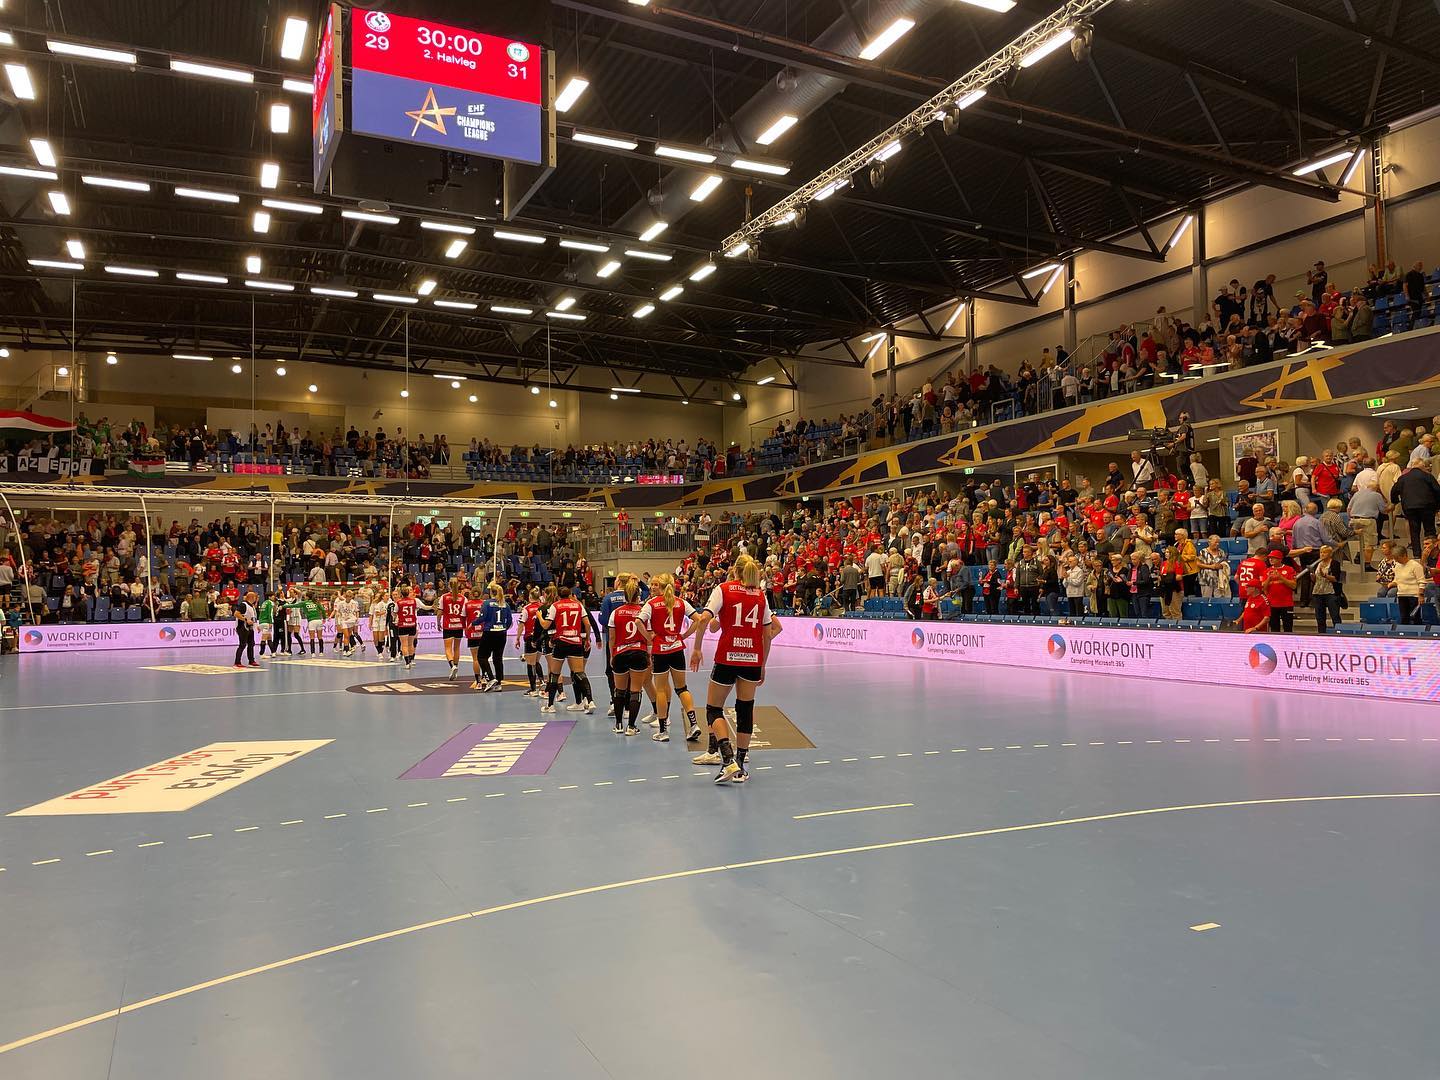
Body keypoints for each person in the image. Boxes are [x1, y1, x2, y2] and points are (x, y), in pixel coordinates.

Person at [687, 554, 783, 785]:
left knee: (713, 709)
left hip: (727, 657)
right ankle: (740, 767)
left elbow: (704, 621)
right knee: (745, 709)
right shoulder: (760, 595)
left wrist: (697, 649)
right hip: (751, 658)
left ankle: (727, 758)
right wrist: (763, 664)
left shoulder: (724, 589)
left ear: (735, 571)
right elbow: (768, 633)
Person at [646, 573, 700, 744]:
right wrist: (684, 635)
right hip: (677, 648)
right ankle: (694, 724)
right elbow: (698, 620)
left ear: (660, 586)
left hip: (660, 650)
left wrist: (650, 638)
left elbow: (640, 621)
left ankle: (663, 731)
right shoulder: (681, 602)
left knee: (661, 690)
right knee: (682, 688)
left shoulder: (652, 603)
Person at [539, 585, 595, 715]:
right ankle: (590, 701)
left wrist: (540, 617)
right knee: (579, 673)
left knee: (554, 673)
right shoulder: (578, 605)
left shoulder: (555, 606)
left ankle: (550, 705)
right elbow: (587, 624)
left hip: (561, 641)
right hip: (575, 641)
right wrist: (587, 639)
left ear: (558, 596)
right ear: (570, 594)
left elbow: (546, 625)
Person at [607, 579, 653, 735]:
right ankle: (632, 727)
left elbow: (611, 638)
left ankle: (619, 724)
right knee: (635, 690)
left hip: (620, 652)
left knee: (619, 690)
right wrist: (648, 654)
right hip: (639, 653)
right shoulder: (643, 612)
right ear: (638, 595)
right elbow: (649, 636)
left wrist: (612, 655)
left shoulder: (616, 612)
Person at [475, 582, 512, 693]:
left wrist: (473, 623)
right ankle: (499, 683)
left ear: (491, 592)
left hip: (490, 632)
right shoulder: (505, 604)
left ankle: (491, 678)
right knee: (498, 658)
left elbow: (482, 618)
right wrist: (503, 628)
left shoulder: (487, 603)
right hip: (501, 633)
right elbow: (509, 621)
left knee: (481, 656)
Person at [514, 586, 546, 698]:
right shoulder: (543, 607)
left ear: (530, 597)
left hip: (530, 637)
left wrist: (517, 638)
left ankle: (533, 689)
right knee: (536, 661)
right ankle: (542, 682)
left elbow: (521, 624)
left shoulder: (526, 609)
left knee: (530, 663)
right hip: (541, 638)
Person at [438, 577, 467, 680]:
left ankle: (452, 666)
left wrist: (438, 622)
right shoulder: (463, 598)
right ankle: (456, 666)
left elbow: (440, 612)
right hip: (459, 625)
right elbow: (465, 614)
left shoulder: (444, 597)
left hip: (448, 625)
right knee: (457, 648)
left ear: (449, 585)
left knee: (448, 648)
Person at [1263, 551, 1297, 632]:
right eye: (1269, 558)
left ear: (1280, 559)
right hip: (1272, 604)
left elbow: (1293, 585)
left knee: (1288, 628)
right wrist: (1269, 579)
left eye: (1273, 558)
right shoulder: (1267, 571)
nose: (1270, 559)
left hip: (1286, 604)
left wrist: (1281, 577)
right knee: (1274, 629)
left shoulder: (1289, 569)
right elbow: (1263, 588)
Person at [1311, 545, 1343, 634]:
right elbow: (1315, 580)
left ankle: (1339, 633)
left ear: (1330, 554)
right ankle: (1321, 634)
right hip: (1318, 592)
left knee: (1335, 615)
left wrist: (1325, 575)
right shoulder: (1317, 564)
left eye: (1324, 552)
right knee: (1320, 617)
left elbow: (1336, 578)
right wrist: (1312, 577)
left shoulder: (1334, 563)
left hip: (1331, 592)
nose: (1322, 554)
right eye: (1321, 552)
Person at [1393, 545, 1426, 624]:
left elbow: (1421, 581)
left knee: (1415, 617)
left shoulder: (1415, 565)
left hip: (1414, 595)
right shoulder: (1397, 566)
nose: (1396, 560)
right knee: (1404, 617)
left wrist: (1420, 595)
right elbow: (1397, 579)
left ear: (1404, 555)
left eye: (1397, 558)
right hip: (1401, 595)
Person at [394, 583, 419, 669]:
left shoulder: (399, 602)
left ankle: (407, 663)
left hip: (403, 625)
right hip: (412, 624)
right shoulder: (414, 601)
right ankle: (411, 661)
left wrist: (395, 618)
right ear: (408, 593)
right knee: (410, 643)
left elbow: (395, 613)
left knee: (404, 644)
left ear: (401, 594)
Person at [233, 588, 258, 668]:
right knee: (242, 645)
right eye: (255, 597)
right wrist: (246, 620)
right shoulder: (244, 605)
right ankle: (237, 662)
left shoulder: (252, 606)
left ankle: (251, 661)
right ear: (251, 597)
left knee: (251, 644)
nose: (255, 599)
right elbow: (236, 614)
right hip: (242, 628)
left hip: (250, 628)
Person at [369, 586, 391, 662]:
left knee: (381, 637)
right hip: (376, 621)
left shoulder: (389, 602)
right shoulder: (374, 604)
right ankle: (379, 650)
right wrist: (370, 623)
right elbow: (372, 614)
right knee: (375, 638)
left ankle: (381, 651)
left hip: (384, 622)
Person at [255, 590, 276, 657]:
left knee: (269, 637)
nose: (274, 597)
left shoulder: (264, 603)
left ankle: (273, 653)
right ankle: (262, 654)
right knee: (264, 638)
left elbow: (261, 613)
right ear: (270, 597)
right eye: (273, 596)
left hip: (261, 622)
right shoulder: (270, 603)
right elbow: (270, 613)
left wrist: (259, 624)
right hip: (267, 622)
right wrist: (270, 622)